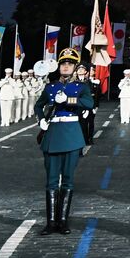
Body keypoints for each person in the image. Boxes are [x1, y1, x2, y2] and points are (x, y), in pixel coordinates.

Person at [35, 48, 93, 236]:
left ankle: (63, 222)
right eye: (63, 63)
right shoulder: (50, 87)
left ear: (75, 67)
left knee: (67, 180)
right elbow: (39, 104)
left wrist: (69, 100)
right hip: (53, 134)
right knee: (52, 181)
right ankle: (51, 222)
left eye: (69, 64)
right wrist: (41, 119)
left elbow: (89, 104)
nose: (66, 66)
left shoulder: (81, 87)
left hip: (71, 134)